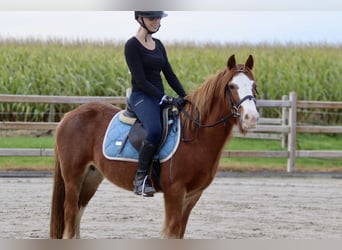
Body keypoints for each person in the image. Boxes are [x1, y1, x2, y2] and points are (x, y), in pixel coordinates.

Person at [124, 11, 187, 197]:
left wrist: (185, 96)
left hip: (159, 95)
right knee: (154, 130)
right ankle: (140, 179)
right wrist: (164, 98)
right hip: (142, 96)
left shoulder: (158, 45)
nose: (156, 21)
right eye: (152, 18)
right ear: (140, 19)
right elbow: (141, 80)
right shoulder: (132, 46)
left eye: (158, 18)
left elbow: (169, 74)